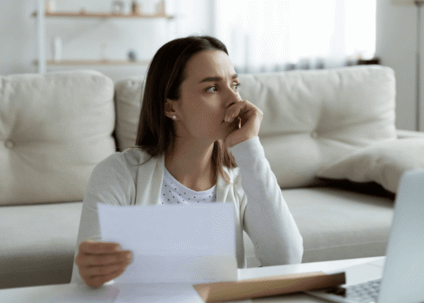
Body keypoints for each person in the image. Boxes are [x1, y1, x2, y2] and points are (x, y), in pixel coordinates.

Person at [71, 35, 303, 288]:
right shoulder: (117, 174)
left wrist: (249, 146)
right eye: (212, 88)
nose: (235, 100)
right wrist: (93, 273)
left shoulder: (242, 176)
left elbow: (286, 259)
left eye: (235, 85)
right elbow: (90, 284)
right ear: (171, 108)